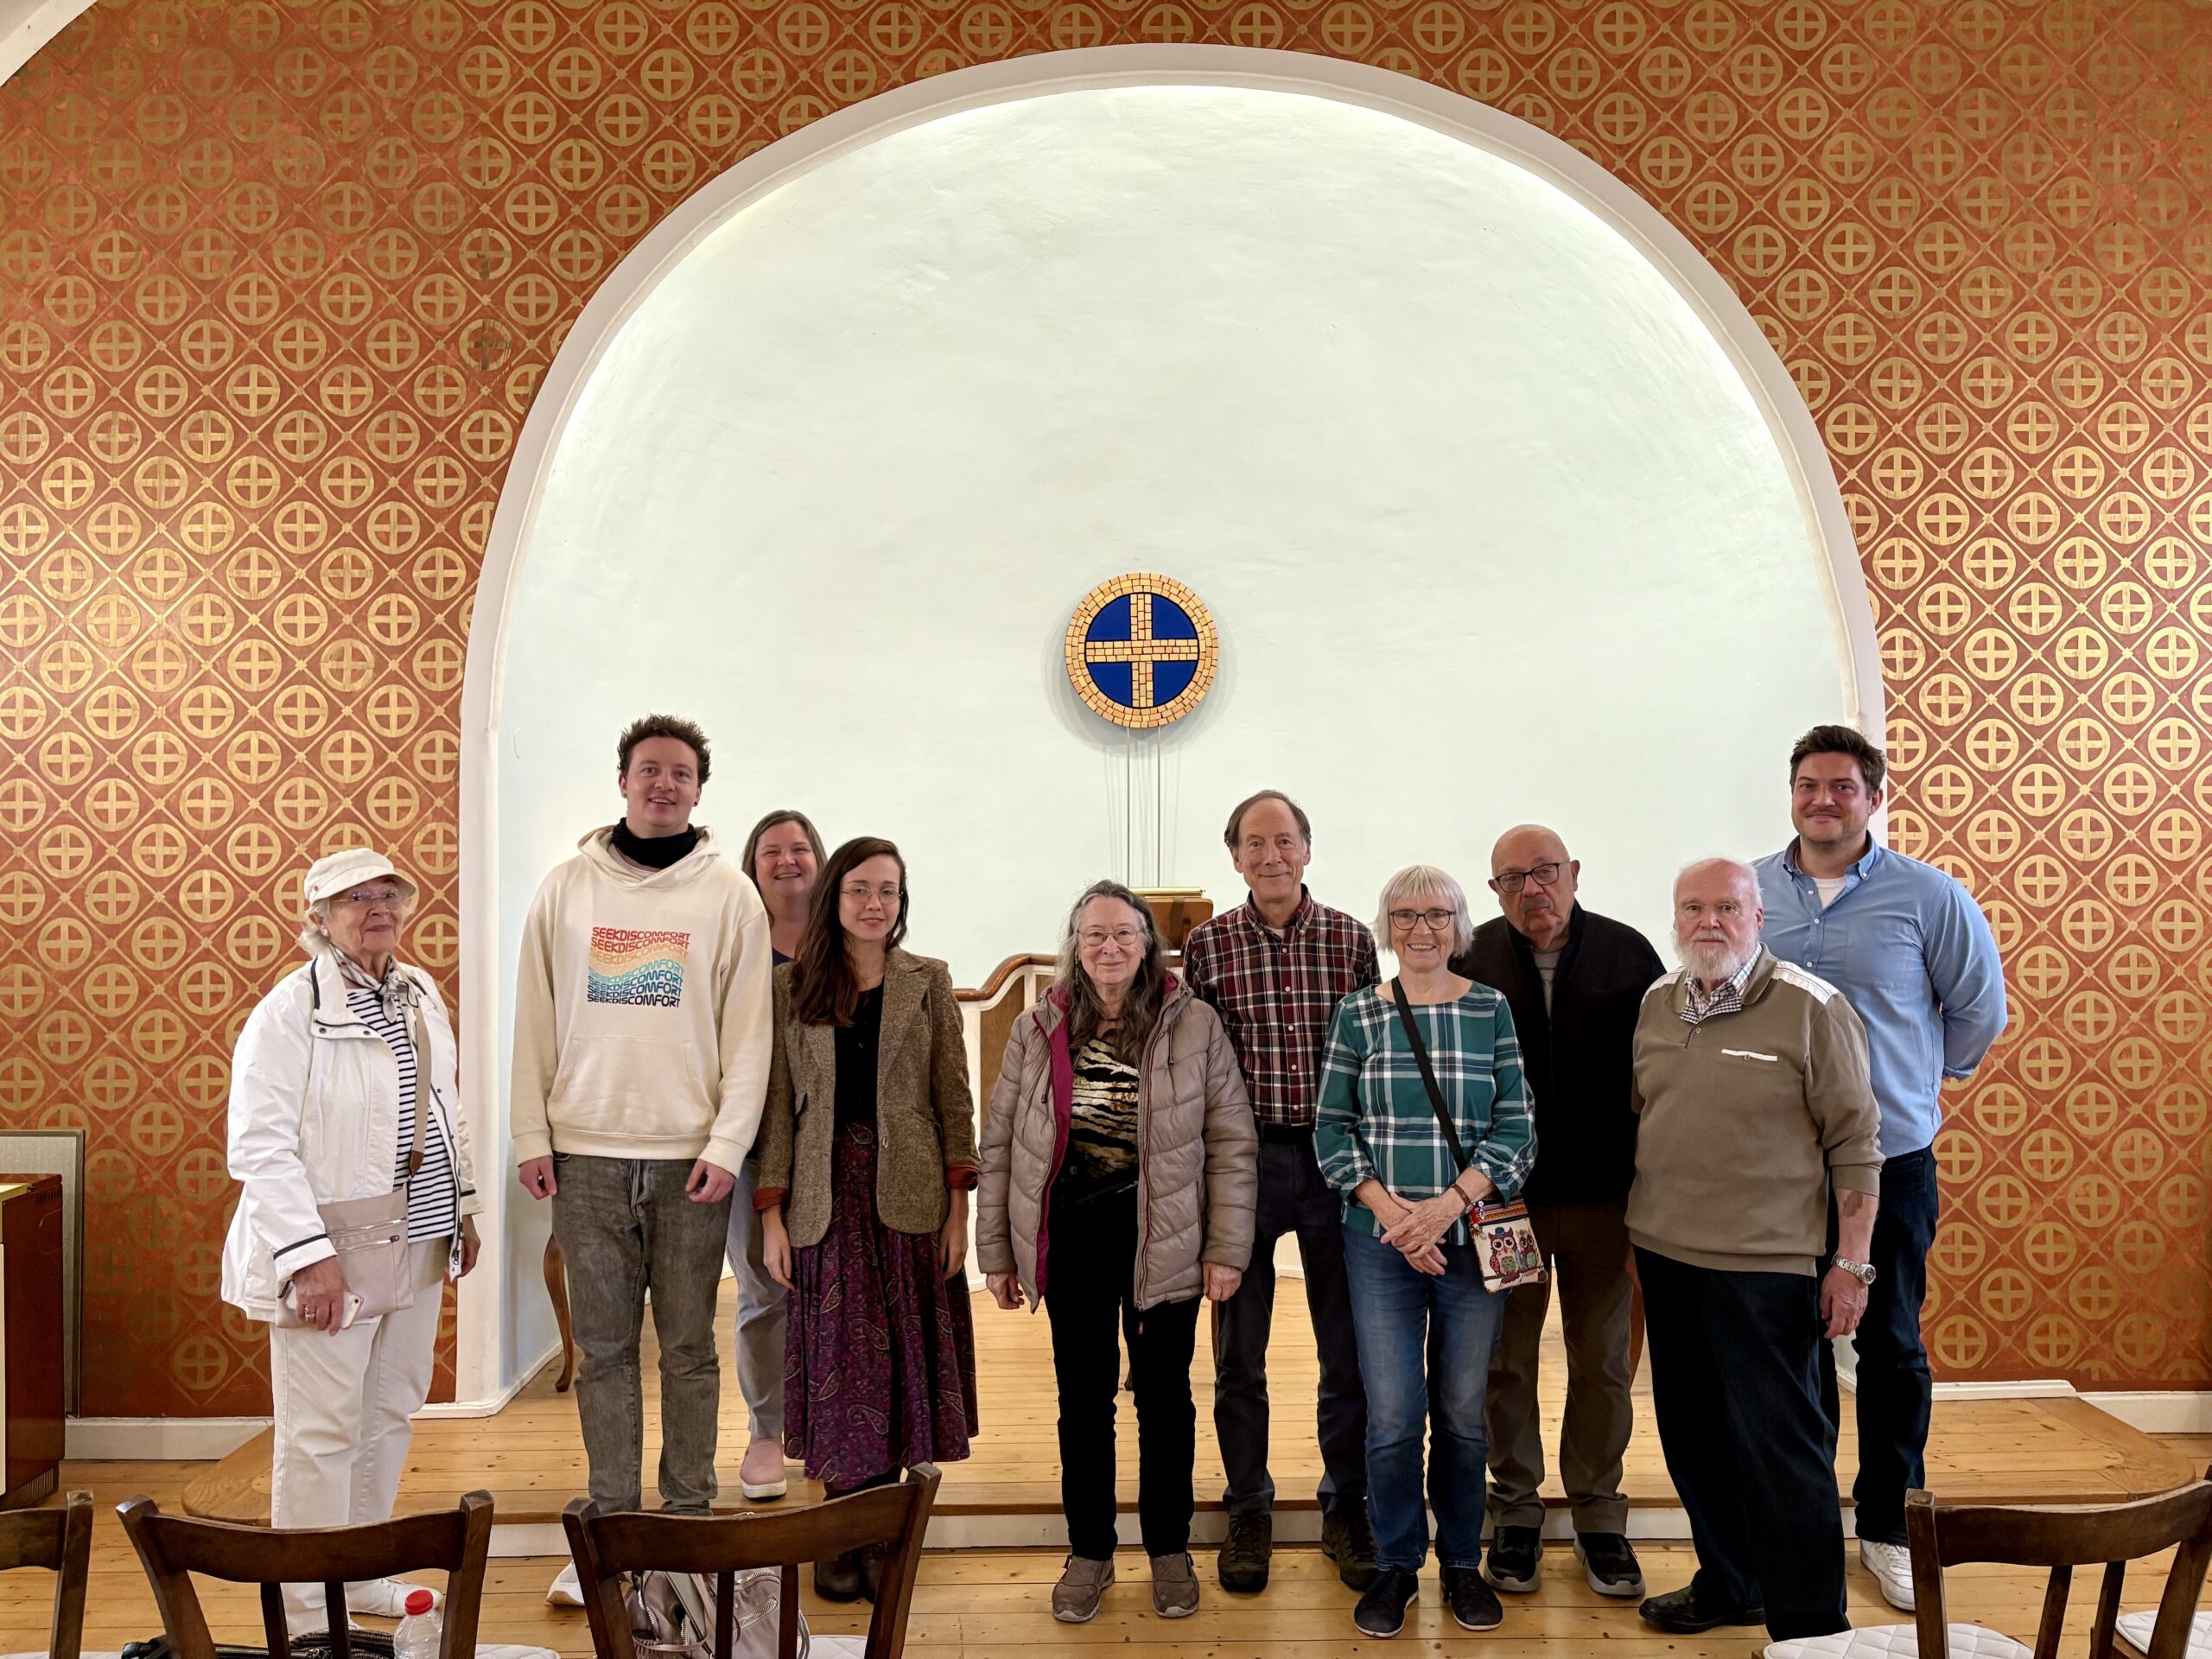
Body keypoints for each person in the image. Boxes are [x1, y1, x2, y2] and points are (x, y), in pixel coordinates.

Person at [511, 715, 774, 1607]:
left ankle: (687, 1527)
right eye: (649, 770)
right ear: (623, 781)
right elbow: (533, 1021)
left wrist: (728, 1144)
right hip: (584, 1154)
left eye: (682, 773)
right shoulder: (566, 889)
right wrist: (529, 1137)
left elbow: (750, 1036)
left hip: (687, 1158)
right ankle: (614, 1531)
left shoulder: (729, 895)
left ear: (701, 791)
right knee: (608, 1350)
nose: (664, 784)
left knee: (691, 1350)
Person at [1753, 725, 2005, 1612]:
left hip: (1889, 1161)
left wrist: (1907, 1082)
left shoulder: (1929, 897)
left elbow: (1976, 1013)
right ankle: (1803, 1520)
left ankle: (1890, 1527)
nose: (1823, 801)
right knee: (1793, 1347)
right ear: (1790, 794)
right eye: (1808, 786)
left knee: (1890, 1345)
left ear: (1873, 796)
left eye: (1841, 787)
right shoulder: (1748, 894)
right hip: (1779, 1168)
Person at [977, 880, 1259, 1624]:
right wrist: (997, 1254)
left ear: (1147, 944)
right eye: (1095, 935)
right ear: (1076, 943)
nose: (1109, 948)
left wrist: (1227, 1247)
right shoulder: (1038, 1026)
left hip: (1163, 1239)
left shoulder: (1193, 1022)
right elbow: (1001, 1142)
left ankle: (1168, 1549)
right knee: (1083, 1401)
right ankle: (1090, 1553)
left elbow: (1231, 1142)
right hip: (1072, 1241)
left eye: (1124, 935)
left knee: (1165, 1400)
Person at [223, 849, 480, 1637]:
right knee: (321, 1428)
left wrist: (463, 1203)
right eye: (354, 898)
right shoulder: (288, 1012)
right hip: (333, 1247)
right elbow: (259, 1146)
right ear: (319, 917)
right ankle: (306, 1609)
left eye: (388, 896)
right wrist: (310, 1259)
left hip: (419, 1233)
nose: (377, 908)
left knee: (389, 1410)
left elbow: (445, 1106)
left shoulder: (419, 992)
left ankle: (363, 1568)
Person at [1630, 858, 1880, 1643]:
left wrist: (1851, 1263)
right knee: (1694, 1437)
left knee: (1782, 1447)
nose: (1710, 921)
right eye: (1693, 907)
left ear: (1759, 915)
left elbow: (1857, 1145)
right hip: (1667, 1258)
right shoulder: (1657, 1003)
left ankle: (1810, 1625)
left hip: (1768, 1266)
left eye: (1727, 907)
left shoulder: (1813, 1009)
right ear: (1676, 919)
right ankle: (1730, 1583)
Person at [756, 836, 981, 1603]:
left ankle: (883, 1528)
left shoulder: (929, 981)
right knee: (838, 1361)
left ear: (901, 900)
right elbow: (781, 1111)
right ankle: (839, 1527)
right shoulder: (794, 990)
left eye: (887, 890)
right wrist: (771, 1215)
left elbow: (954, 1098)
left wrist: (959, 1208)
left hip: (909, 1200)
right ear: (834, 898)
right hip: (824, 1199)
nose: (874, 903)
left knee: (898, 1364)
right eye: (859, 889)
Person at [1314, 865, 1536, 1638]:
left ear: (1460, 924)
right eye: (1404, 915)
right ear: (1385, 926)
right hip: (1379, 1243)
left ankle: (1461, 1566)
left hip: (1469, 1239)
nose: (1420, 929)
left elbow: (1518, 1126)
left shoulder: (1490, 1010)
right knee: (1394, 1416)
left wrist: (1443, 1209)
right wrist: (1391, 1213)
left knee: (1465, 1413)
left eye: (1437, 915)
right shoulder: (1359, 1014)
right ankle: (1399, 1564)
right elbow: (1330, 1128)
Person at [1450, 826, 1661, 1600]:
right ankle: (1514, 1511)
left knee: (1603, 1363)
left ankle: (1600, 1514)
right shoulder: (1470, 959)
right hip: (1507, 1204)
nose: (1532, 889)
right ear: (1495, 890)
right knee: (1505, 1361)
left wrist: (1652, 1193)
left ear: (1574, 872)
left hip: (1608, 1200)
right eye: (1512, 879)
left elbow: (1656, 1080)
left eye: (1545, 872)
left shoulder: (1629, 954)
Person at [1182, 790, 1380, 1594]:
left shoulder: (1350, 939)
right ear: (1235, 857)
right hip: (1245, 1165)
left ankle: (1346, 1506)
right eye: (1255, 844)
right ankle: (1248, 1509)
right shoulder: (1208, 945)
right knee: (1239, 1355)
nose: (1272, 856)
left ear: (1307, 850)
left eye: (1285, 841)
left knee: (1350, 1351)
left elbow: (1375, 1054)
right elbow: (1193, 1064)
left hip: (1335, 1165)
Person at [725, 808, 827, 1503]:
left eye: (799, 849)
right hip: (752, 1142)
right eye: (771, 851)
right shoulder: (733, 941)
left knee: (836, 1292)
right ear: (751, 863)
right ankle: (768, 1430)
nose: (786, 861)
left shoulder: (846, 938)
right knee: (765, 1291)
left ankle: (833, 1429)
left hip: (829, 1147)